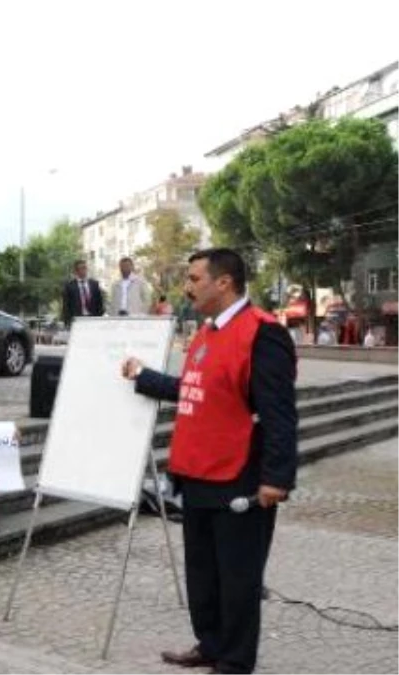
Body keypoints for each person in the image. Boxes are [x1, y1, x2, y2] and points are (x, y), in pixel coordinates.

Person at [120, 248, 297, 675]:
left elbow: (279, 413)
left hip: (239, 475)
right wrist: (144, 378)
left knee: (238, 577)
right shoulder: (206, 332)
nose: (187, 286)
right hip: (196, 471)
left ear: (224, 283)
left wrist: (277, 478)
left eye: (195, 278)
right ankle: (211, 644)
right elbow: (196, 387)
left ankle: (235, 661)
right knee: (203, 572)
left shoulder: (262, 333)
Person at [62, 259, 104, 326]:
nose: (83, 271)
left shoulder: (94, 284)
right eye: (80, 268)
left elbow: (100, 303)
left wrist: (99, 317)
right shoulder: (70, 286)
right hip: (77, 320)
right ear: (76, 271)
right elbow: (66, 306)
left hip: (93, 319)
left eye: (84, 268)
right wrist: (67, 322)